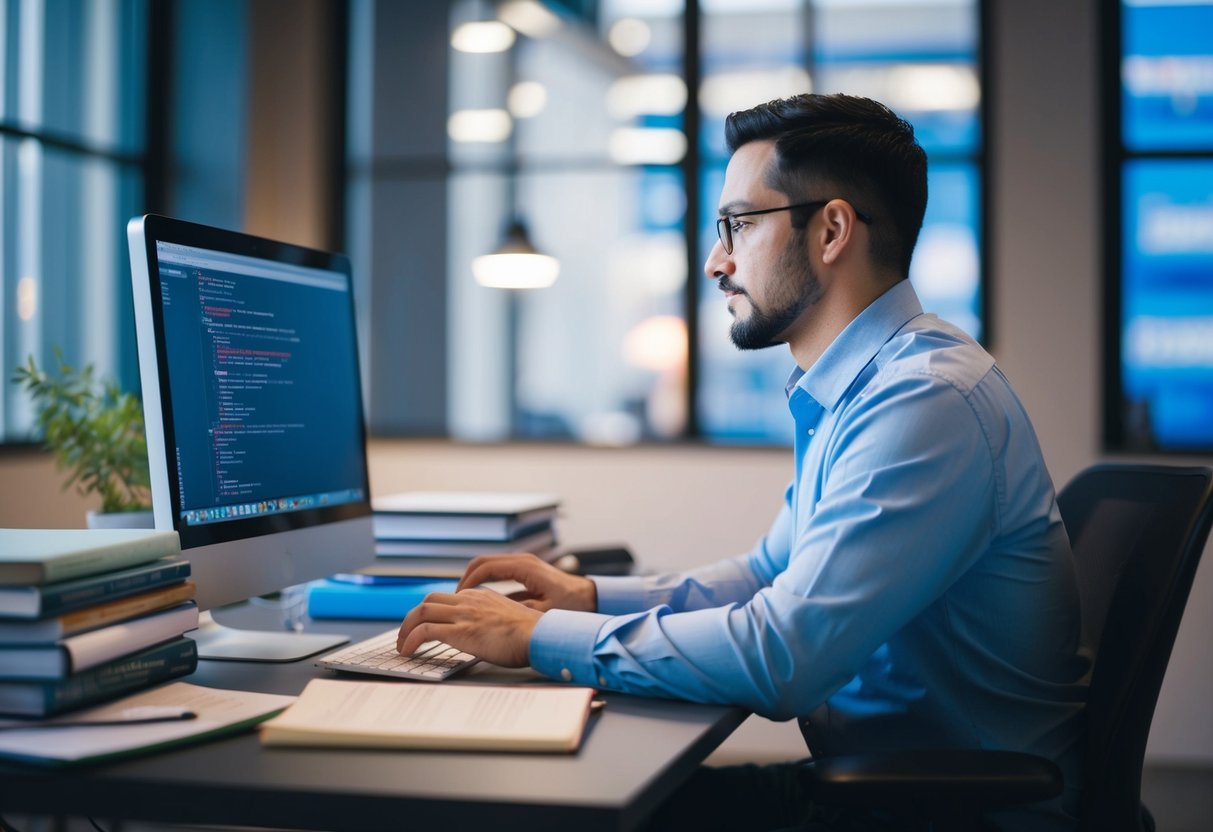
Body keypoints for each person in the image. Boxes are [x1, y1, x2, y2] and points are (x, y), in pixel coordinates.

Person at [397, 93, 1088, 831]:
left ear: (830, 230)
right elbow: (766, 575)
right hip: (884, 785)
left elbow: (782, 658)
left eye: (736, 225)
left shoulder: (924, 404)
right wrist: (588, 599)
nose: (714, 260)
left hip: (948, 812)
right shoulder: (862, 389)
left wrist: (534, 637)